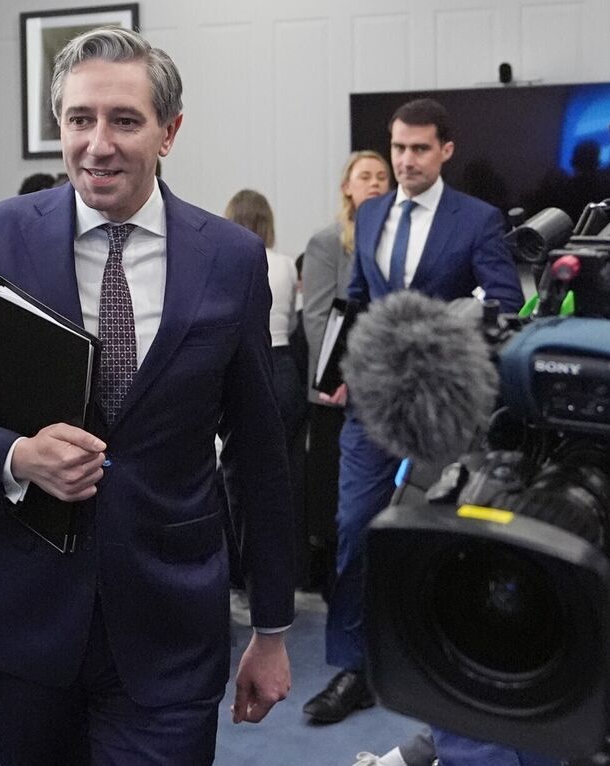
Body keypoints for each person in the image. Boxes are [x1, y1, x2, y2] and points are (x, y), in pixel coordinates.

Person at [0, 26, 294, 764]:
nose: (98, 144)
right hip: (29, 624)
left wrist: (271, 629)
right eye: (80, 120)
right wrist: (16, 457)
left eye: (124, 120)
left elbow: (260, 451)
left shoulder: (229, 259)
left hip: (170, 627)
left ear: (169, 132)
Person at [303, 98, 523, 726]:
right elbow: (356, 297)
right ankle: (355, 668)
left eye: (419, 149)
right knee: (354, 529)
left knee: (445, 536)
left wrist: (432, 335)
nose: (405, 161)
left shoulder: (477, 220)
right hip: (371, 401)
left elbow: (503, 300)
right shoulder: (370, 213)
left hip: (448, 404)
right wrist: (338, 371)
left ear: (445, 151)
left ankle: (447, 665)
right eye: (398, 148)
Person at [301, 151, 391, 596]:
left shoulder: (395, 238)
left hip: (386, 389)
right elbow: (317, 318)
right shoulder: (327, 242)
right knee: (336, 499)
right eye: (365, 176)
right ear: (348, 188)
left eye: (381, 177)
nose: (375, 183)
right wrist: (335, 376)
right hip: (338, 389)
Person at [224, 188, 304, 585]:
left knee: (238, 471)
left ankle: (240, 569)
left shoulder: (227, 261)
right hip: (284, 367)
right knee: (282, 473)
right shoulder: (287, 265)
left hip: (245, 364)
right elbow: (290, 326)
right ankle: (284, 571)